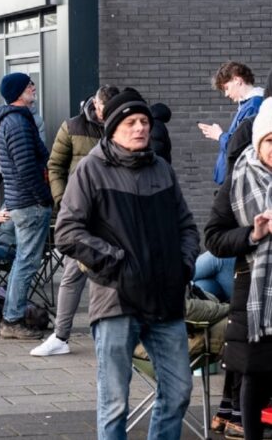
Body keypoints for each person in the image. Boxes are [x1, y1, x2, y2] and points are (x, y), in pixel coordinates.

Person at [56, 88, 199, 439]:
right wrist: (119, 263)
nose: (140, 128)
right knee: (114, 402)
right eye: (131, 122)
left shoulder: (162, 170)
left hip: (166, 300)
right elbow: (67, 232)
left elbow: (187, 227)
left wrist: (182, 265)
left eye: (144, 122)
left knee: (179, 391)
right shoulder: (91, 170)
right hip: (116, 300)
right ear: (113, 128)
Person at [30, 84, 118, 356]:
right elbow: (54, 166)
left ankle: (112, 335)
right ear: (96, 104)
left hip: (113, 213)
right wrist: (63, 200)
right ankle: (60, 336)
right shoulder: (72, 126)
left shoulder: (120, 126)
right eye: (104, 111)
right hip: (80, 211)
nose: (106, 116)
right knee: (72, 273)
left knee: (113, 275)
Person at [205, 96, 272, 440]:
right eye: (271, 140)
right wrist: (253, 233)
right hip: (254, 299)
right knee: (254, 375)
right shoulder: (240, 179)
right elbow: (213, 238)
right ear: (260, 140)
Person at [0, 73, 52, 340]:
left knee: (22, 261)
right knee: (27, 262)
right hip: (29, 203)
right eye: (29, 85)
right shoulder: (16, 123)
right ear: (18, 92)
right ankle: (12, 320)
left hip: (23, 201)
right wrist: (44, 197)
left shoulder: (16, 120)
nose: (34, 88)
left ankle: (12, 316)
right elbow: (26, 167)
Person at [199, 61, 264, 185]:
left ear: (237, 80)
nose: (226, 94)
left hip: (242, 180)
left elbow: (240, 147)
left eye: (226, 88)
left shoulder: (253, 106)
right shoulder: (249, 105)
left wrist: (219, 135)